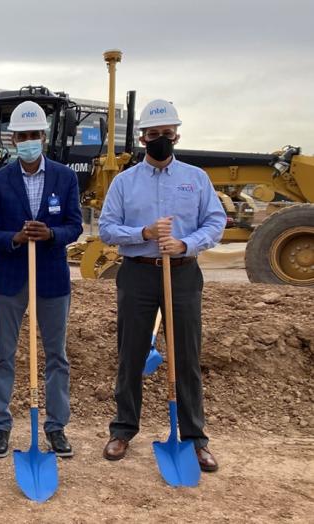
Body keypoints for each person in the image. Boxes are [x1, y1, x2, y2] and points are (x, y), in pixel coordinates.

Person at [99, 99, 226, 472]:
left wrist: (186, 244)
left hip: (183, 273)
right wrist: (144, 233)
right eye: (153, 135)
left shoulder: (196, 178)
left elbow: (214, 223)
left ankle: (195, 438)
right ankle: (123, 429)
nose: (160, 140)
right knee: (131, 355)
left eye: (166, 135)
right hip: (137, 272)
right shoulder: (125, 182)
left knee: (186, 356)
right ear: (142, 138)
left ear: (177, 135)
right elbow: (107, 229)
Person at [0, 101, 83, 458]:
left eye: (33, 135)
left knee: (57, 356)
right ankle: (1, 425)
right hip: (10, 278)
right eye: (21, 136)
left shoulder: (65, 177)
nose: (27, 141)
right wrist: (15, 238)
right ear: (12, 139)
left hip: (52, 278)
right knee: (3, 354)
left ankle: (56, 428)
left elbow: (75, 225)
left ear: (44, 137)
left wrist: (51, 234)